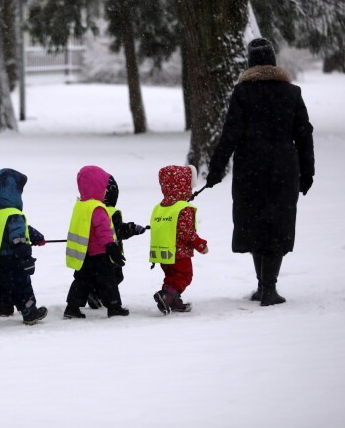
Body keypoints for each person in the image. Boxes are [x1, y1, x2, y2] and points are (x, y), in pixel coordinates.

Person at [206, 38, 315, 306]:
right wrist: (307, 171)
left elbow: (230, 134)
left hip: (250, 170)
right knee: (277, 224)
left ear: (250, 62)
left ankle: (262, 286)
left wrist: (216, 169)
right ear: (273, 61)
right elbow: (304, 135)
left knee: (254, 223)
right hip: (283, 168)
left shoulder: (242, 93)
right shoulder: (292, 93)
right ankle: (269, 288)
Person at [0, 168, 48, 327]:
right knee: (22, 287)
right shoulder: (13, 214)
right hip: (12, 261)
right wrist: (26, 258)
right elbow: (18, 238)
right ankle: (29, 312)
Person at [64, 165, 130, 319]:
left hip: (84, 253)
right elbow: (103, 230)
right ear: (98, 186)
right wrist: (111, 247)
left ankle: (72, 307)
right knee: (109, 281)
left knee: (81, 280)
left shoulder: (80, 205)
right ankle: (114, 306)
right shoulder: (98, 208)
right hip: (99, 253)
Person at [149, 165, 208, 315]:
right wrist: (200, 244)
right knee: (184, 276)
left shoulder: (160, 206)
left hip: (163, 252)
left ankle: (172, 301)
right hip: (179, 253)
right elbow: (186, 232)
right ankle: (166, 295)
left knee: (171, 277)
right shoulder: (183, 207)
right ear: (185, 185)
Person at [85, 175, 147, 309]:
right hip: (110, 252)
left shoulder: (91, 208)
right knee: (115, 277)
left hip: (92, 252)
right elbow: (118, 230)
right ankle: (98, 295)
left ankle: (94, 293)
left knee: (97, 275)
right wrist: (133, 229)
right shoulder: (111, 212)